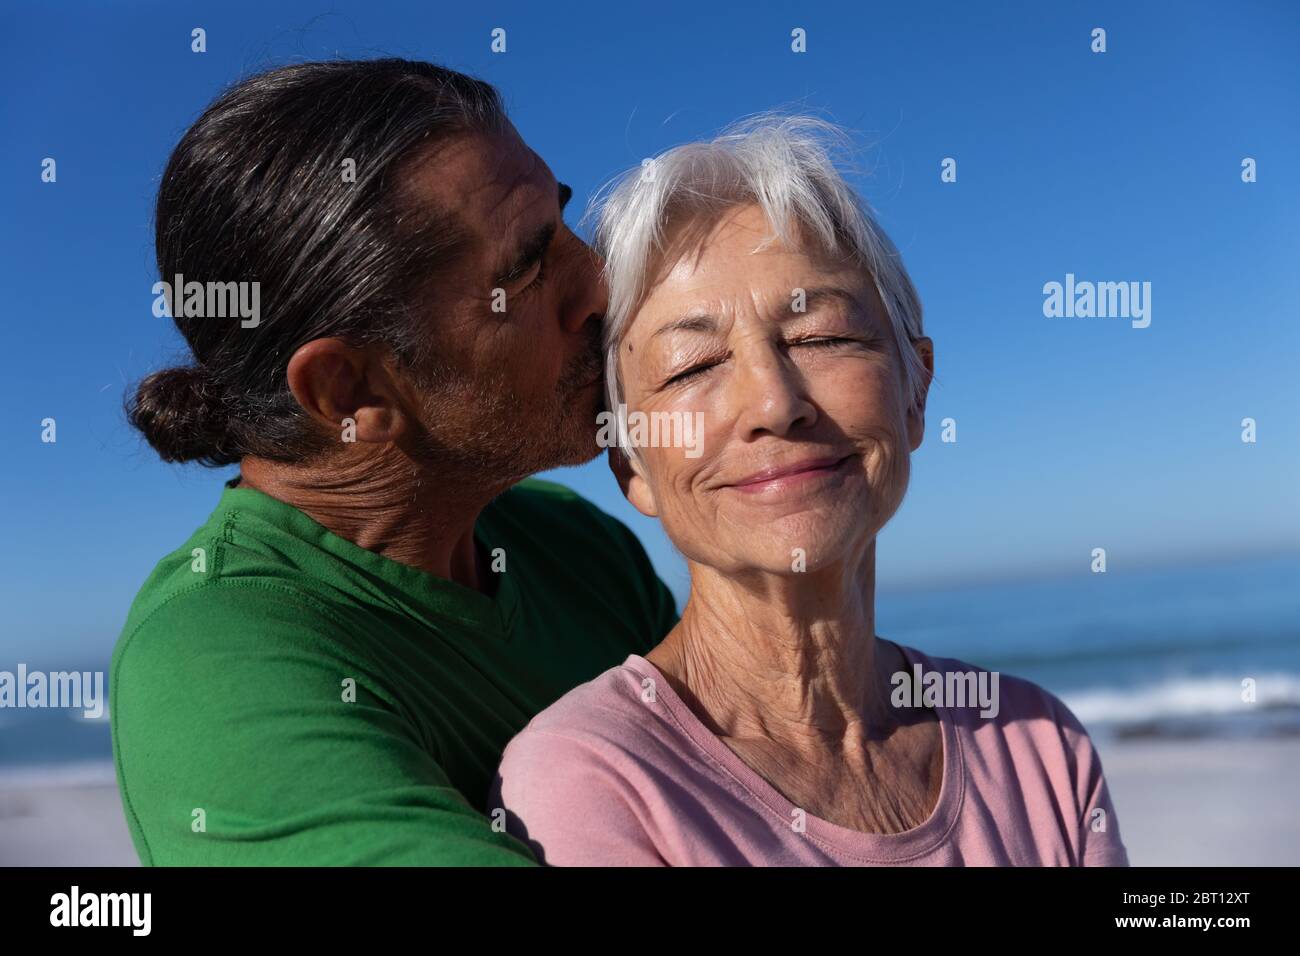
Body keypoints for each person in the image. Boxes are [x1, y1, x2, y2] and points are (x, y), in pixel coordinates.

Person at [490, 116, 1131, 866]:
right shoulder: (593, 783)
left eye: (820, 337)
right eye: (692, 367)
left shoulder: (1037, 745)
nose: (772, 403)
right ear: (632, 467)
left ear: (916, 389)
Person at [111, 58, 676, 865]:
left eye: (564, 223)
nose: (602, 282)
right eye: (528, 266)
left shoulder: (572, 543)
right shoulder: (211, 668)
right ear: (350, 392)